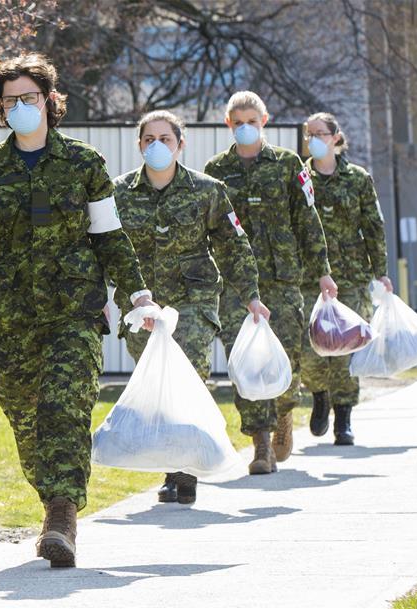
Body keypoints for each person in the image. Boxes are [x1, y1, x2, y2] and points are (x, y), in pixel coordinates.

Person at [0, 53, 155, 569]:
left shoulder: (84, 164)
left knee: (64, 408)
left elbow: (109, 235)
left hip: (74, 308)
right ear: (1, 110)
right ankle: (52, 502)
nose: (19, 108)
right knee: (26, 419)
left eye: (28, 98)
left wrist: (137, 294)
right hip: (11, 315)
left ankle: (63, 518)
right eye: (9, 101)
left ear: (48, 101)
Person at [112, 110, 266, 501]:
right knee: (158, 385)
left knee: (190, 377)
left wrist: (250, 295)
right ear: (139, 145)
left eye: (165, 139)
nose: (157, 146)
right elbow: (105, 249)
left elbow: (233, 246)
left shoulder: (207, 189)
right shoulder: (119, 193)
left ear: (181, 144)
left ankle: (185, 471)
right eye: (149, 139)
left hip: (193, 302)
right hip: (141, 304)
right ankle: (171, 466)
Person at [204, 92, 336, 471]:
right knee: (244, 359)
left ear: (265, 121)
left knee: (288, 357)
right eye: (237, 121)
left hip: (282, 278)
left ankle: (282, 416)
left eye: (252, 120)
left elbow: (307, 220)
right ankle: (260, 443)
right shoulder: (217, 170)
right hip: (236, 284)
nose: (245, 126)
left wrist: (322, 270)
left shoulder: (287, 164)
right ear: (228, 123)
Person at [299, 112, 391, 446]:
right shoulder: (300, 178)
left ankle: (344, 418)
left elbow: (374, 227)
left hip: (350, 276)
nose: (312, 140)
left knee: (345, 350)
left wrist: (380, 271)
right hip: (308, 277)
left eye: (319, 134)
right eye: (308, 135)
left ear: (336, 138)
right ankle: (319, 393)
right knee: (309, 350)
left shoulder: (358, 179)